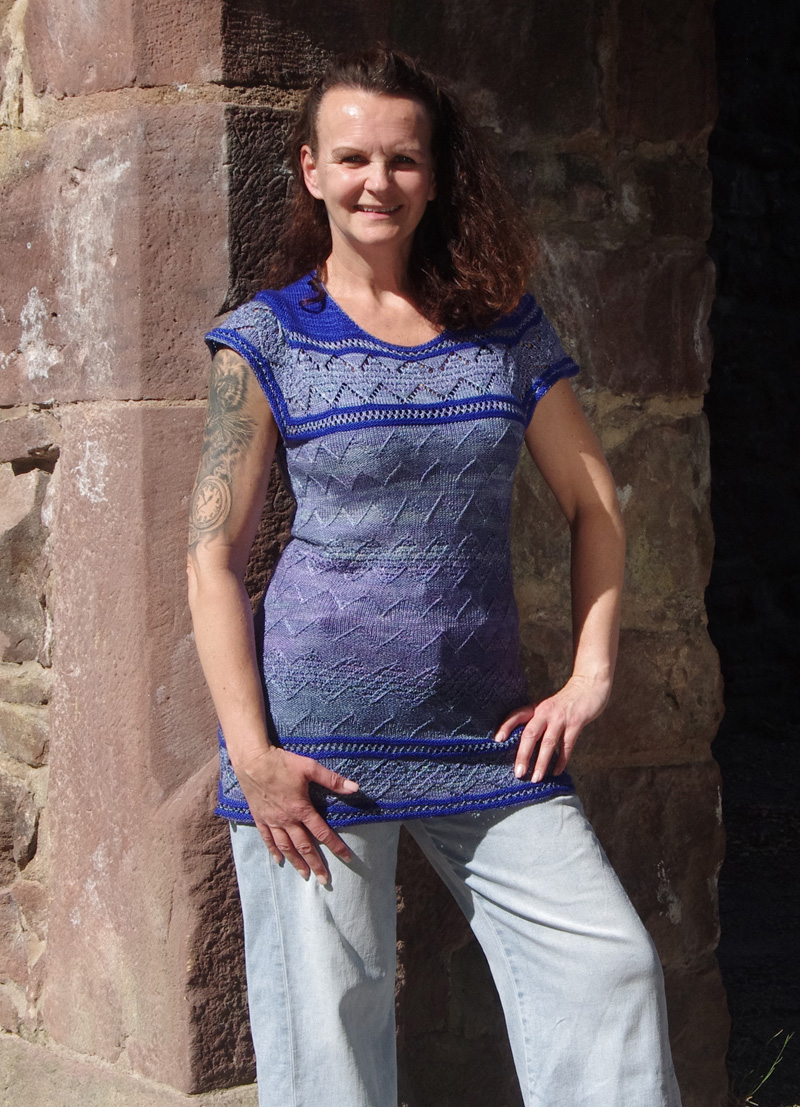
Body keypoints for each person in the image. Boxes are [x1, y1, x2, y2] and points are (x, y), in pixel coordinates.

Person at [187, 45, 681, 1107]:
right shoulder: (267, 339)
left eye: (403, 159)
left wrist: (590, 676)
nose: (378, 181)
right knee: (329, 1043)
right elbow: (213, 558)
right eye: (353, 157)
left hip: (482, 736)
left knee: (608, 968)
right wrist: (253, 755)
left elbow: (593, 504)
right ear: (311, 169)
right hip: (311, 751)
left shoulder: (502, 329)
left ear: (436, 172)